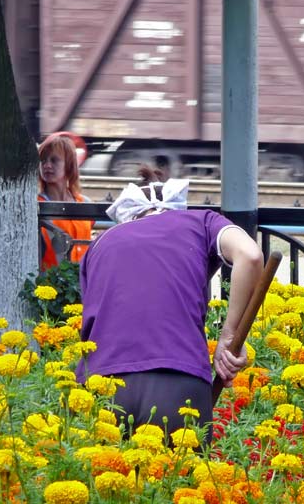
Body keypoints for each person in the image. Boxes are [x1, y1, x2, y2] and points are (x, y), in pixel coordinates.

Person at [76, 165, 263, 440]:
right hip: (178, 385)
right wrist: (230, 335)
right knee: (180, 481)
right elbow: (251, 255)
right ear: (177, 206)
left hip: (100, 388)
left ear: (129, 213)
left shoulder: (100, 244)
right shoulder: (201, 222)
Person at [38, 133, 93, 270]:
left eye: (54, 160)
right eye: (43, 160)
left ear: (69, 165)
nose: (47, 165)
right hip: (49, 285)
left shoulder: (84, 203)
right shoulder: (37, 205)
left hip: (81, 282)